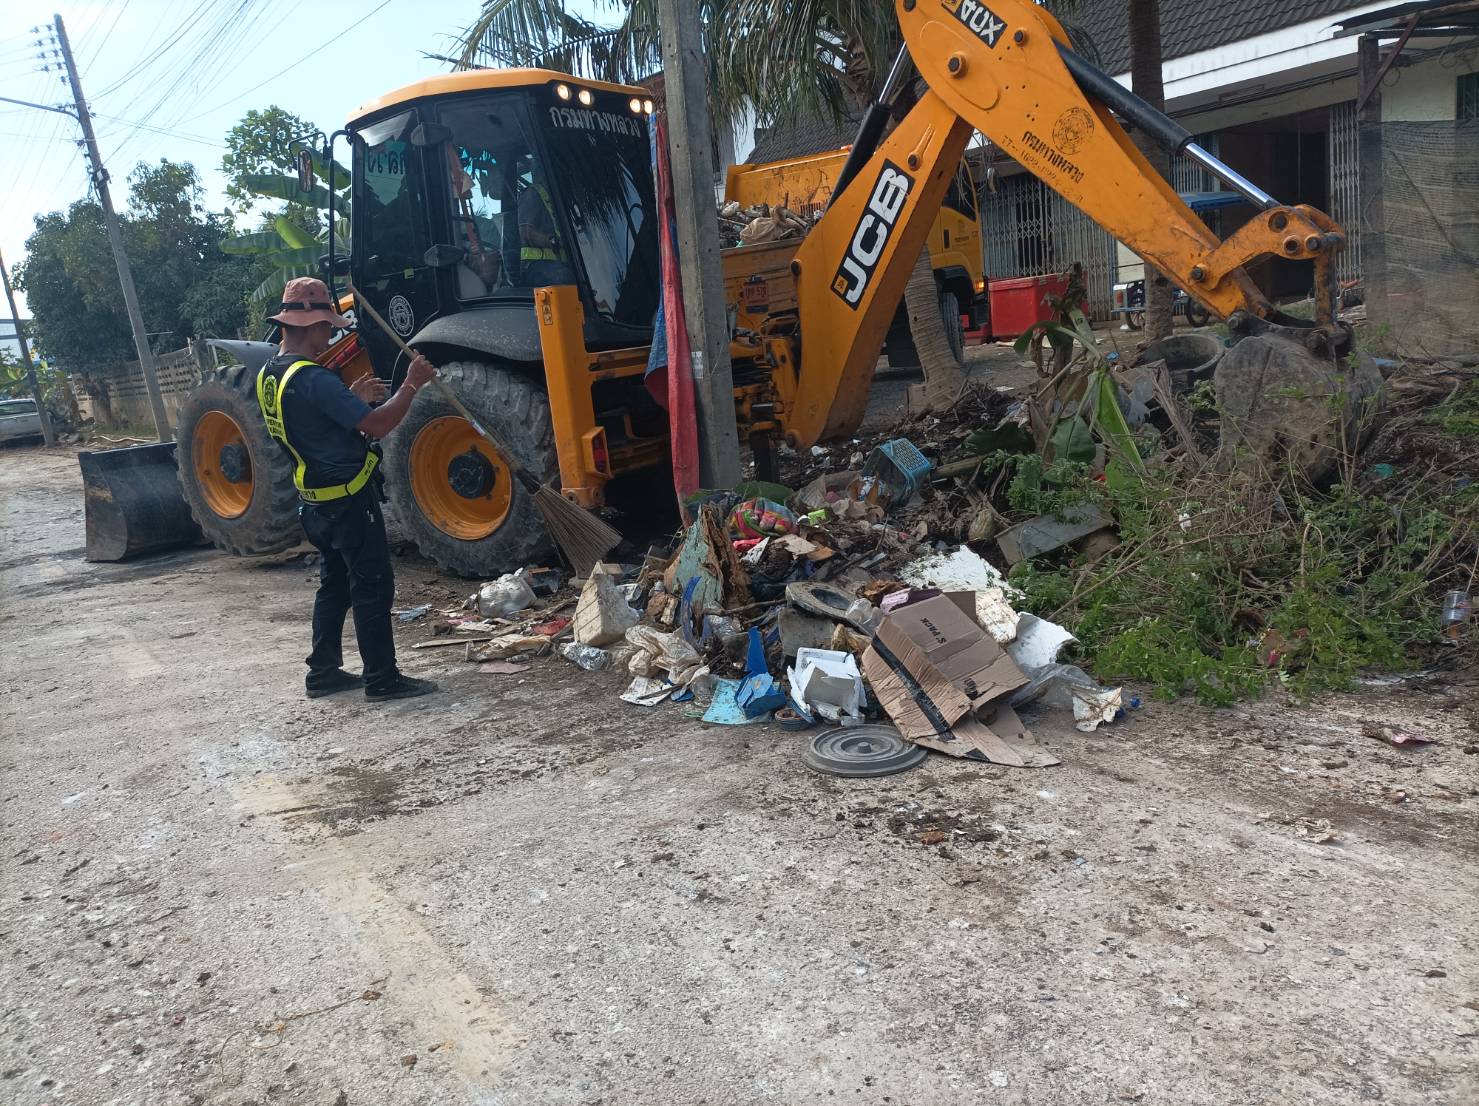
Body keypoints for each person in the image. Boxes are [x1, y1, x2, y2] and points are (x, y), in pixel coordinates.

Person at [256, 276, 438, 702]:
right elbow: (378, 424)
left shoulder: (270, 375)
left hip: (314, 503)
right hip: (348, 501)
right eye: (328, 327)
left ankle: (323, 673)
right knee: (372, 585)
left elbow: (309, 423)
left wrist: (350, 398)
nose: (330, 336)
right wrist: (412, 383)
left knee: (335, 585)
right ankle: (382, 678)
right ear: (313, 325)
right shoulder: (314, 378)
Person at [518, 170, 576, 286]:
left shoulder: (561, 197)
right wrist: (553, 241)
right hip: (536, 265)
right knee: (567, 279)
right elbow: (525, 233)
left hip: (562, 261)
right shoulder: (531, 194)